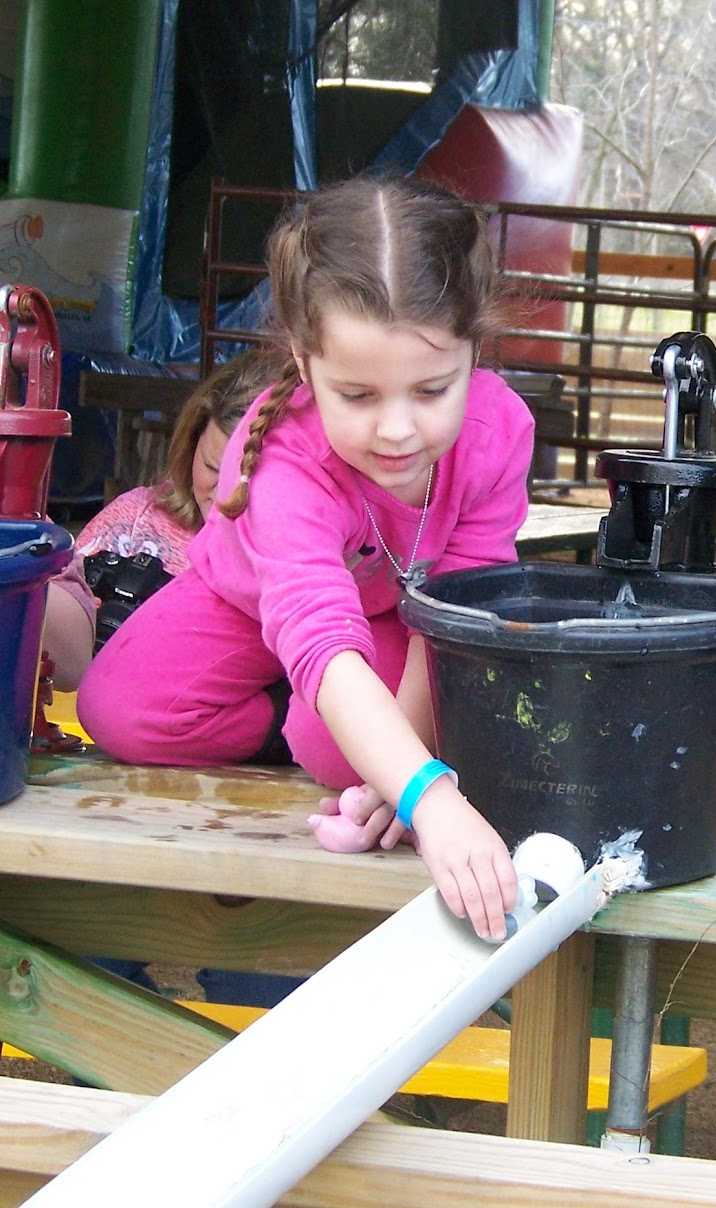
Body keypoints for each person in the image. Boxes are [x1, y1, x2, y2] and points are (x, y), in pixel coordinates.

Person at [78, 174, 534, 943]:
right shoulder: (283, 458)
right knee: (117, 710)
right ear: (302, 356)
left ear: (473, 350)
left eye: (430, 389)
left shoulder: (498, 433)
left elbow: (452, 616)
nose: (397, 430)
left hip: (389, 613)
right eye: (356, 396)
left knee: (346, 756)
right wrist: (436, 799)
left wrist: (413, 772)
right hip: (250, 601)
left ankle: (323, 723)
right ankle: (294, 716)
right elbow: (316, 628)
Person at [39, 349, 284, 693]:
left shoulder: (315, 564)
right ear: (191, 443)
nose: (225, 497)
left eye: (248, 478)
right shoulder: (136, 521)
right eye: (213, 469)